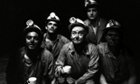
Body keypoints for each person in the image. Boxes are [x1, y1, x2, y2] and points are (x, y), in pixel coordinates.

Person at [6, 20, 54, 84]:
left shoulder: (48, 56)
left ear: (40, 41)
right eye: (29, 37)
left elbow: (52, 80)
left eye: (36, 38)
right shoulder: (17, 55)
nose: (32, 41)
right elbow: (9, 76)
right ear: (25, 39)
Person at [55, 17, 100, 84]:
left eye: (80, 33)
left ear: (85, 35)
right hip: (70, 79)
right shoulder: (65, 48)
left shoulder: (92, 48)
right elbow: (58, 65)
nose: (76, 36)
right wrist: (62, 70)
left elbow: (93, 70)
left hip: (86, 79)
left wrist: (77, 82)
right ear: (70, 36)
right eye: (74, 33)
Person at [97, 20, 137, 84]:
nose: (113, 38)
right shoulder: (99, 49)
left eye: (116, 35)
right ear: (105, 36)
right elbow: (99, 72)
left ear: (121, 37)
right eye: (110, 35)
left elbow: (133, 74)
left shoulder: (127, 51)